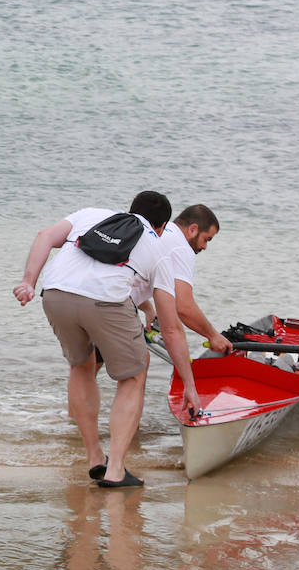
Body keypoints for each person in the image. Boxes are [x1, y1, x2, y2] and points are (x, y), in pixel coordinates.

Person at [13, 191, 201, 489]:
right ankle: (115, 470)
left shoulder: (90, 215)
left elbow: (44, 236)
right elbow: (172, 329)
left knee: (81, 366)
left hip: (55, 293)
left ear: (129, 210)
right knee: (133, 376)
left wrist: (27, 281)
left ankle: (94, 459)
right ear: (162, 225)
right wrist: (189, 385)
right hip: (105, 302)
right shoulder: (158, 246)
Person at [148, 205, 231, 355]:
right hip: (111, 301)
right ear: (193, 229)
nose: (205, 247)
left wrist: (146, 308)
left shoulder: (164, 231)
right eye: (207, 239)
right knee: (137, 370)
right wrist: (213, 336)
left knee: (94, 362)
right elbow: (184, 307)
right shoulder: (182, 248)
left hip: (97, 291)